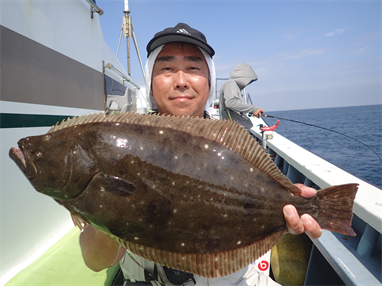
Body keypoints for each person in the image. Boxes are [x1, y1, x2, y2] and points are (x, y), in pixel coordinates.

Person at [79, 23, 322, 286]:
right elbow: (94, 261)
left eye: (193, 68)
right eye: (167, 69)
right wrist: (114, 211)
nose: (181, 81)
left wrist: (284, 201)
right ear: (150, 80)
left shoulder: (234, 145)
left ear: (209, 79)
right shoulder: (121, 146)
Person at [219, 63, 264, 130]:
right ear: (244, 77)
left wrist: (250, 111)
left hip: (236, 131)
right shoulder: (231, 83)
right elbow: (231, 103)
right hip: (234, 132)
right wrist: (253, 109)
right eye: (249, 80)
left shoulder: (233, 85)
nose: (248, 83)